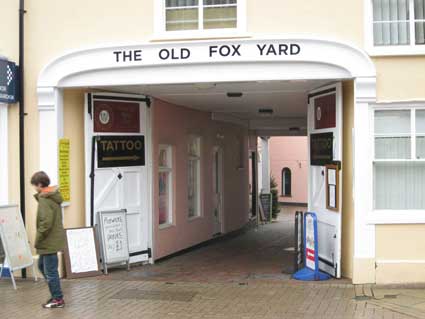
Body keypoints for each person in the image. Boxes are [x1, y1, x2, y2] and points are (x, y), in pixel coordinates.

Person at [31, 171, 66, 308]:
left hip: (48, 241)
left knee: (50, 271)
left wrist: (38, 238)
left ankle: (58, 299)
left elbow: (46, 223)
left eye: (34, 185)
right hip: (51, 240)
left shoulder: (45, 199)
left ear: (40, 184)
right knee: (42, 266)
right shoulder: (51, 196)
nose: (34, 188)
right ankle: (55, 294)